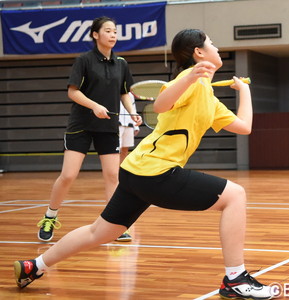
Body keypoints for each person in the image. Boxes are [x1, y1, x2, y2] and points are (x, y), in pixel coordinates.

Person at [15, 29, 272, 300]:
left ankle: (35, 266)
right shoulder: (190, 79)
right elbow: (161, 105)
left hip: (135, 172)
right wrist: (191, 78)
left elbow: (244, 127)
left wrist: (244, 91)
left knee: (99, 232)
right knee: (235, 196)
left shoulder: (207, 94)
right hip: (156, 173)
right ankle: (235, 278)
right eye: (212, 43)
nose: (217, 48)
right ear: (198, 52)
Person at [36, 16, 141, 243]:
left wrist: (131, 112)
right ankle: (50, 217)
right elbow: (73, 92)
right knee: (69, 175)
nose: (113, 35)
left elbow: (124, 92)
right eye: (108, 31)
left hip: (108, 126)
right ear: (96, 35)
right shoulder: (84, 60)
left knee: (113, 175)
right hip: (81, 125)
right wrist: (94, 106)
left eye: (115, 31)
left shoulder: (121, 63)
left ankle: (114, 225)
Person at [116, 93, 141, 242]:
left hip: (128, 123)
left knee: (125, 151)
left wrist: (133, 122)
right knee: (116, 151)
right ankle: (116, 178)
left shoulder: (130, 95)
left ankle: (122, 176)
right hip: (117, 123)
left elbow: (132, 108)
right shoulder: (114, 91)